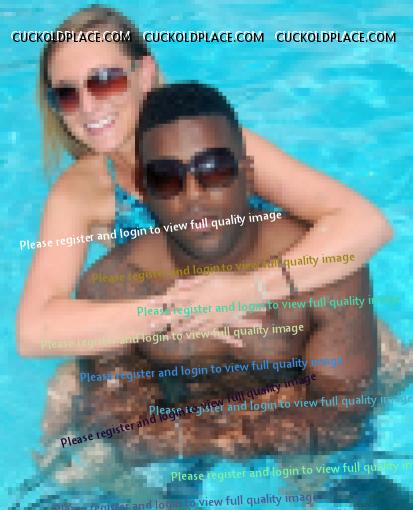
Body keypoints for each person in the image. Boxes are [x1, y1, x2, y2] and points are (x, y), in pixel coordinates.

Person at [17, 5, 392, 357]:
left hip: (294, 321)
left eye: (104, 81)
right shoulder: (81, 192)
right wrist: (178, 311)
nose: (87, 106)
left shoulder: (216, 145)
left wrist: (250, 289)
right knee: (66, 389)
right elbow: (34, 332)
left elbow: (366, 224)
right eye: (67, 93)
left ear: (144, 74)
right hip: (197, 343)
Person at [56, 82, 377, 462]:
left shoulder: (326, 272)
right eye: (167, 177)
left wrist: (200, 432)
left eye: (215, 171)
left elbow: (345, 416)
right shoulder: (114, 287)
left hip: (300, 458)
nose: (194, 196)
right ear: (143, 188)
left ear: (248, 175)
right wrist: (252, 425)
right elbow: (120, 433)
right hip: (191, 457)